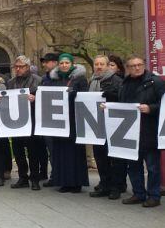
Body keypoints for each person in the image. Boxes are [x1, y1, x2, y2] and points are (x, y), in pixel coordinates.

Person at [119, 55, 165, 207]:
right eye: (133, 66)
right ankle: (138, 193)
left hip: (150, 130)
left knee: (152, 166)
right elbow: (122, 104)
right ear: (128, 68)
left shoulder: (156, 82)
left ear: (144, 65)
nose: (136, 68)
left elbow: (163, 105)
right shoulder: (125, 83)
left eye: (139, 65)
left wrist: (150, 108)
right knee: (133, 165)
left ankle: (154, 195)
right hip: (130, 131)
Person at [45, 53, 89, 193]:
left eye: (67, 63)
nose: (64, 65)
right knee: (60, 152)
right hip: (58, 121)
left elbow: (84, 98)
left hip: (74, 120)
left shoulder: (80, 79)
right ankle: (63, 181)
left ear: (72, 64)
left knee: (74, 152)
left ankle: (76, 182)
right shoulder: (53, 79)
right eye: (62, 63)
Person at [87, 55, 125, 199]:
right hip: (97, 124)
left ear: (108, 65)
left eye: (102, 64)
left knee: (114, 158)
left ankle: (116, 187)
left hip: (113, 125)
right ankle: (105, 184)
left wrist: (110, 97)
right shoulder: (92, 81)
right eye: (96, 64)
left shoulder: (116, 80)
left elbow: (122, 99)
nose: (99, 66)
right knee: (100, 157)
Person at [6, 55, 44, 190]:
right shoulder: (10, 83)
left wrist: (36, 98)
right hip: (16, 122)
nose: (17, 69)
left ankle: (34, 178)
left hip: (32, 121)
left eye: (20, 67)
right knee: (18, 150)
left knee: (33, 151)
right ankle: (23, 177)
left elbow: (45, 100)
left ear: (27, 67)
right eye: (16, 67)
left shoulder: (38, 81)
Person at [39, 53, 59, 186]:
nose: (44, 64)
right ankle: (54, 176)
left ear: (54, 63)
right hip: (47, 118)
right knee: (51, 150)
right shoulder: (44, 78)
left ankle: (59, 176)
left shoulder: (59, 78)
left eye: (47, 62)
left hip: (58, 118)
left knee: (57, 150)